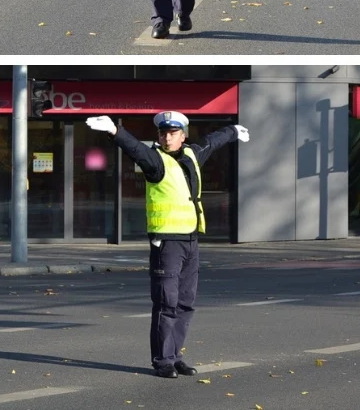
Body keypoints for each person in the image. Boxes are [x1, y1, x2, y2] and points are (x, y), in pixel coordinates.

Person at [84, 111, 248, 378]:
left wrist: (233, 131)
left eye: (172, 133)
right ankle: (162, 361)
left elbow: (211, 141)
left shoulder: (193, 154)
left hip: (191, 240)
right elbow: (136, 149)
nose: (167, 137)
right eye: (163, 133)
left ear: (183, 136)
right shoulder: (155, 160)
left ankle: (175, 355)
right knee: (166, 303)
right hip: (167, 243)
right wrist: (115, 131)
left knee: (185, 303)